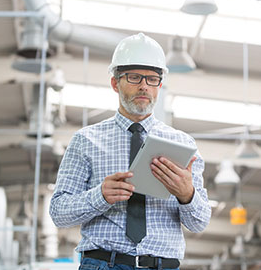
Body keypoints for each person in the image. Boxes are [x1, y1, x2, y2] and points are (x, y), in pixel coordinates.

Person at [49, 33, 211, 270]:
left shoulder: (183, 145)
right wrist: (100, 196)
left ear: (160, 85)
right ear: (115, 83)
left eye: (152, 79)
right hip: (103, 263)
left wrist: (187, 194)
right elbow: (58, 212)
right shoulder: (85, 140)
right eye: (134, 77)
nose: (144, 85)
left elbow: (199, 222)